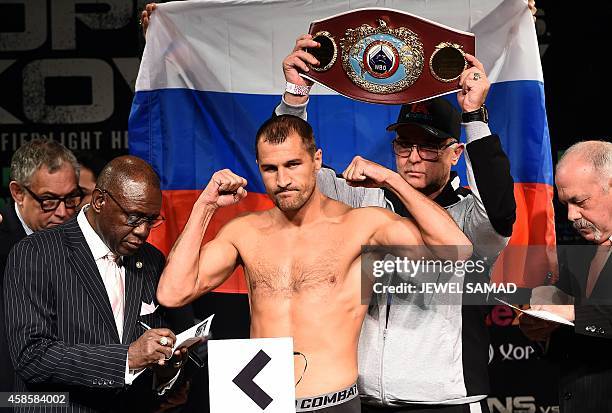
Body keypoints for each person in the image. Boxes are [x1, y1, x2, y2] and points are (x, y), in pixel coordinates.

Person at [157, 114, 472, 413]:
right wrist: (206, 204)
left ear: (316, 160)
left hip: (331, 402)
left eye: (293, 164)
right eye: (270, 168)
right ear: (258, 167)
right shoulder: (244, 232)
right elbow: (173, 293)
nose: (283, 180)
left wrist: (391, 180)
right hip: (259, 401)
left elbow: (457, 251)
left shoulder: (360, 225)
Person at [276, 35, 516, 412]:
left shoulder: (472, 218)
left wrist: (472, 117)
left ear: (455, 153)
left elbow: (502, 210)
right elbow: (298, 180)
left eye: (429, 146)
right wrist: (295, 96)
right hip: (367, 396)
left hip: (446, 401)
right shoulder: (365, 201)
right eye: (404, 145)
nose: (414, 158)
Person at [4, 155, 192, 413]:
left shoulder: (151, 260)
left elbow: (156, 375)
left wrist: (166, 372)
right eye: (134, 218)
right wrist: (127, 358)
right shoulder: (36, 253)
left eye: (151, 220)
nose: (143, 231)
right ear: (100, 200)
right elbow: (32, 356)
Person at [519, 140, 612, 413]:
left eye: (580, 201)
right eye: (565, 204)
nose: (571, 215)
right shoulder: (580, 257)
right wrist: (545, 331)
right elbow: (582, 349)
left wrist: (571, 311)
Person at [0, 139, 82, 395]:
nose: (62, 212)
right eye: (48, 200)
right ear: (18, 193)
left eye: (71, 199)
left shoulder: (85, 239)